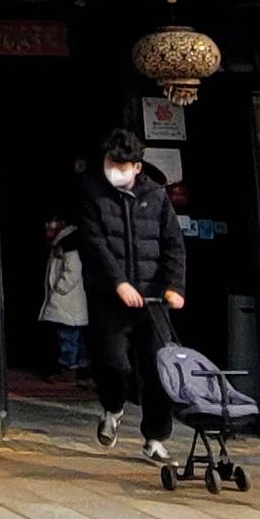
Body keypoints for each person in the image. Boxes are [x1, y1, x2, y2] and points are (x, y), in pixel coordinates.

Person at [79, 128, 187, 453]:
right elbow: (93, 243)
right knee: (112, 364)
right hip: (110, 299)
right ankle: (113, 407)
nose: (115, 170)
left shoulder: (156, 195)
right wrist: (119, 283)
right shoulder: (93, 193)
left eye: (122, 165)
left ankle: (155, 438)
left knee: (159, 370)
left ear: (137, 167)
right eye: (110, 162)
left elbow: (173, 244)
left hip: (153, 299)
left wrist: (175, 286)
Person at [40, 218, 89, 379]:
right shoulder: (63, 245)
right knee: (73, 337)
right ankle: (79, 369)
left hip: (68, 303)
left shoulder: (68, 247)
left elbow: (72, 271)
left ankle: (70, 369)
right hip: (69, 303)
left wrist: (59, 288)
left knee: (68, 338)